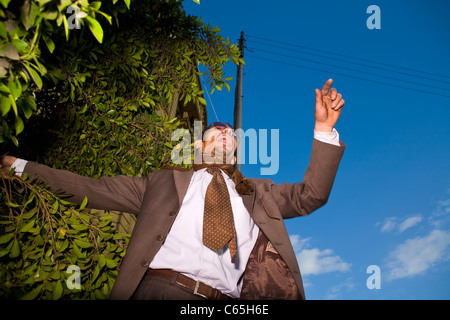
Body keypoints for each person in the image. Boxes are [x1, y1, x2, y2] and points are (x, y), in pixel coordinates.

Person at [0, 79, 346, 300]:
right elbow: (89, 188)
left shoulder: (258, 192)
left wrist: (324, 129)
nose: (226, 133)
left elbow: (311, 195)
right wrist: (20, 166)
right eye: (217, 131)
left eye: (231, 134)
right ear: (196, 147)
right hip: (157, 289)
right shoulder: (162, 182)